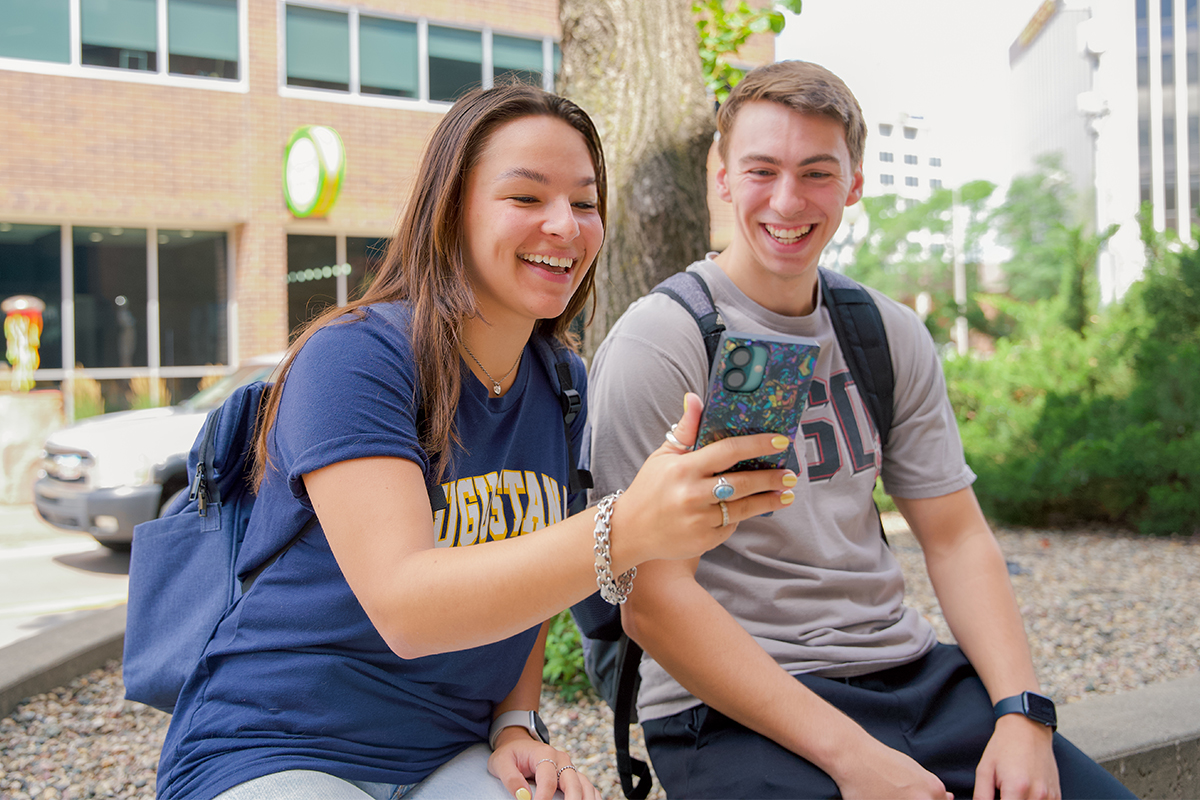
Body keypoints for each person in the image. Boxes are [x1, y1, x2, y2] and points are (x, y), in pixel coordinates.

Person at [152, 84, 795, 800]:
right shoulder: (356, 358)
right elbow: (407, 606)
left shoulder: (561, 382)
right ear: (451, 209)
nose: (566, 226)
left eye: (585, 203)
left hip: (448, 748)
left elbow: (529, 575)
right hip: (275, 743)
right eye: (526, 198)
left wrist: (516, 722)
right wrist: (626, 528)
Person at [585, 61, 1136, 800]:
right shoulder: (662, 341)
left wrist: (1020, 713)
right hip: (729, 709)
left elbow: (956, 536)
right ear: (722, 178)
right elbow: (649, 598)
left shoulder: (885, 331)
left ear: (855, 183)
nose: (788, 199)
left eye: (817, 172)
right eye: (761, 170)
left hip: (914, 680)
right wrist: (853, 759)